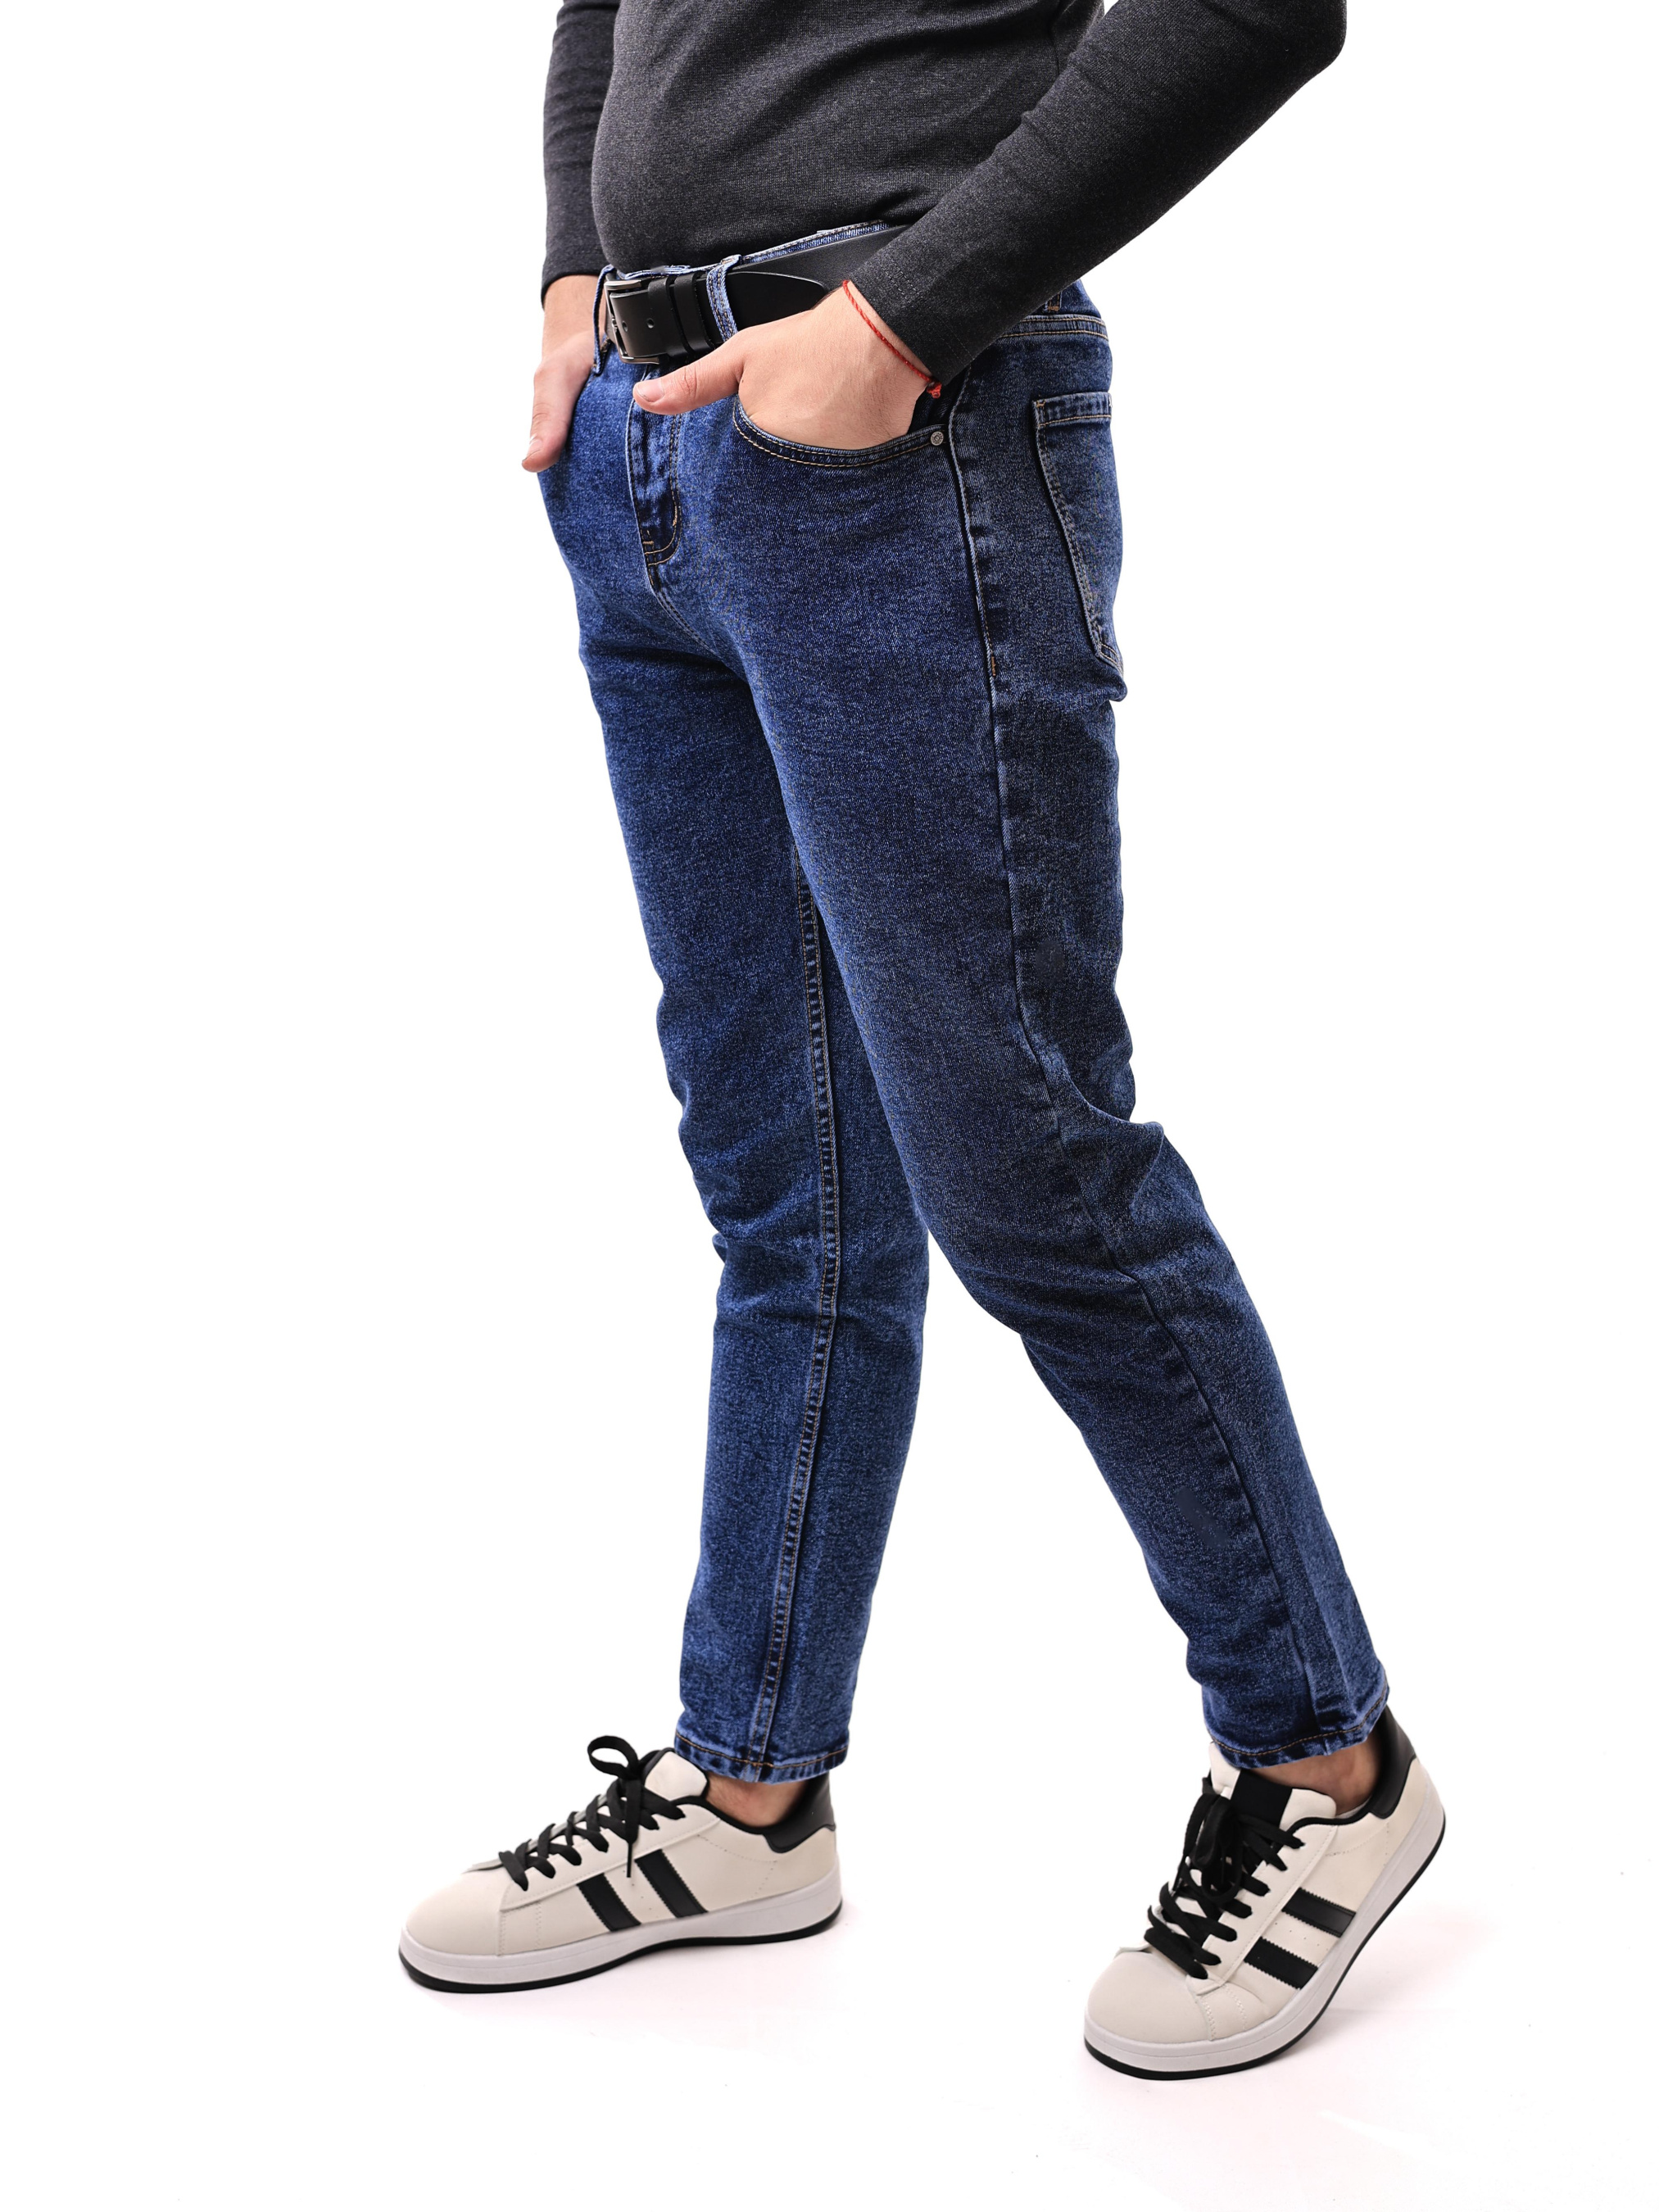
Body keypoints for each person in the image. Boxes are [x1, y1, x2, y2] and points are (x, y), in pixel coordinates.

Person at [398, 0, 1444, 2075]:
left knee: (1028, 1165)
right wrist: (575, 282)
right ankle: (747, 1797)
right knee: (786, 1189)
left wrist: (890, 326)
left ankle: (1325, 1767)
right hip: (646, 442)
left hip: (899, 422)